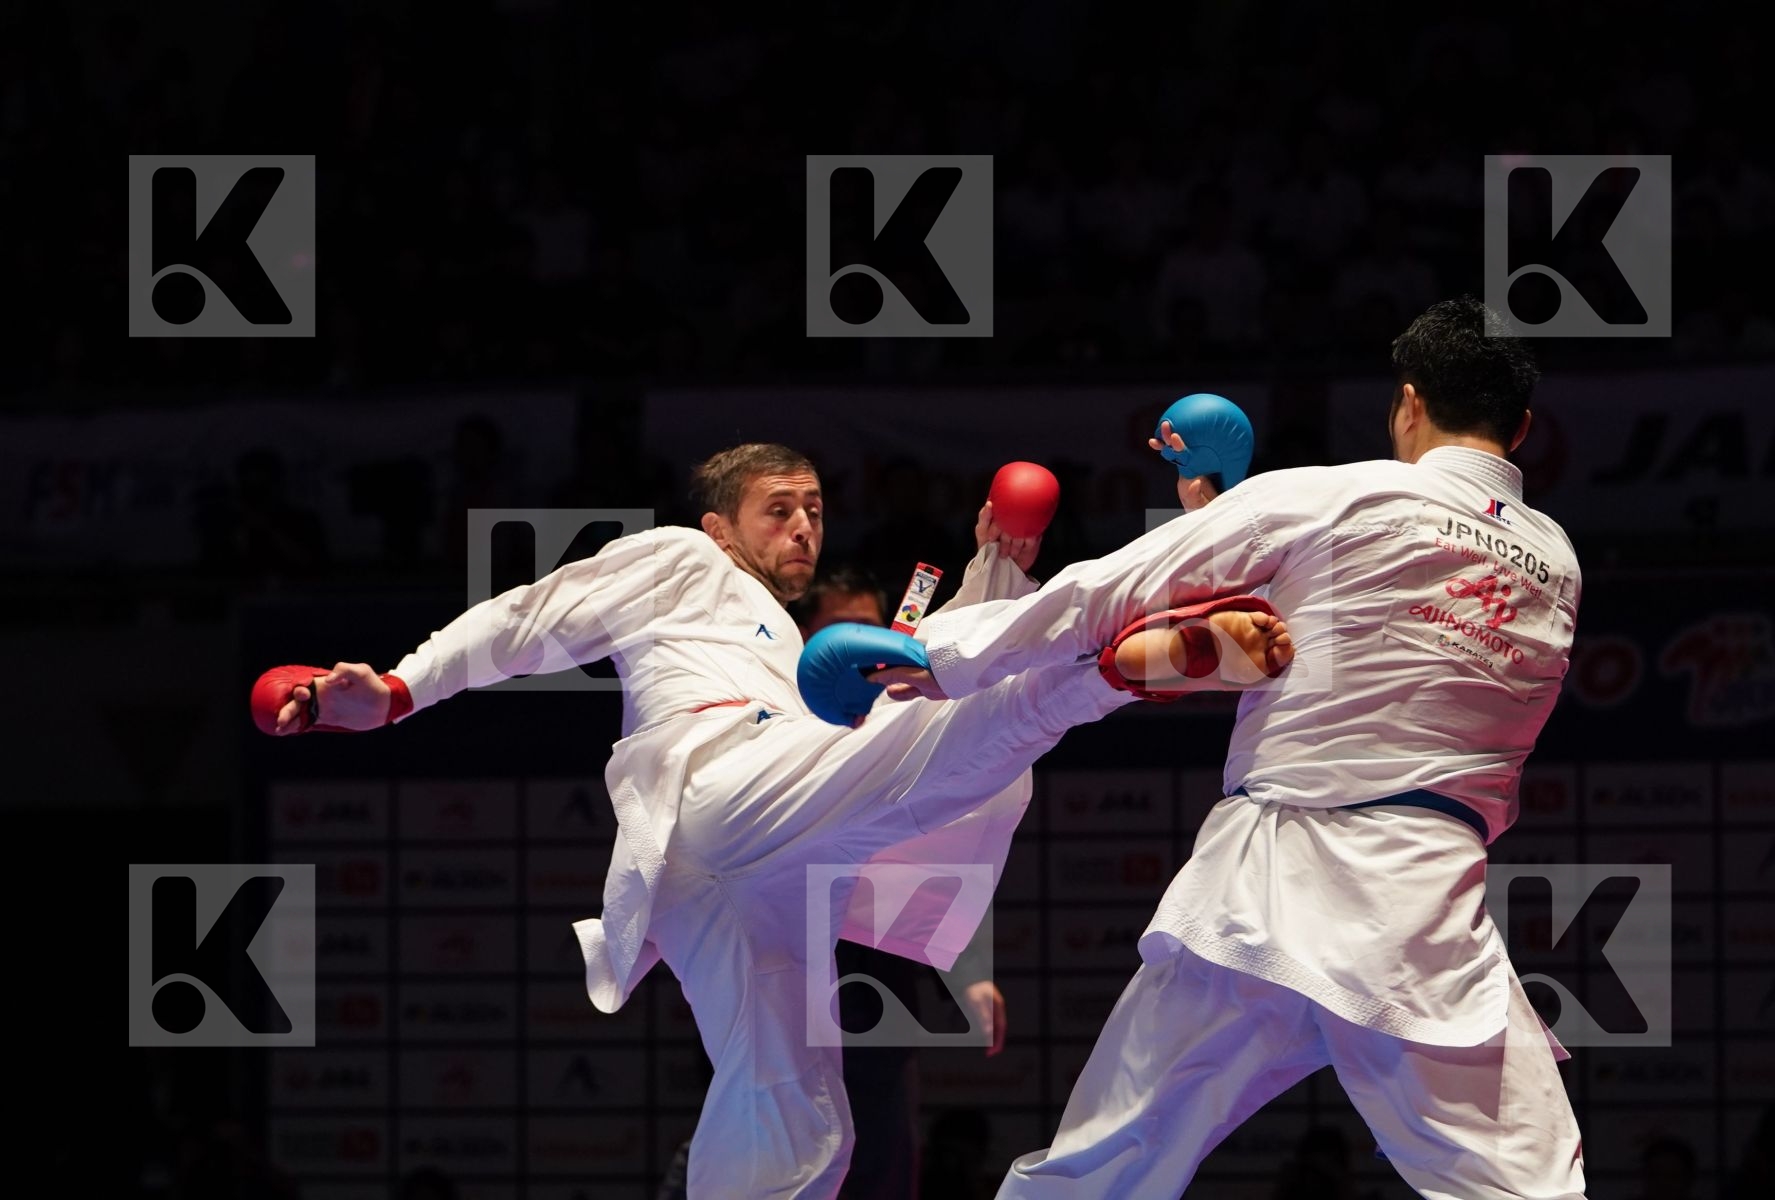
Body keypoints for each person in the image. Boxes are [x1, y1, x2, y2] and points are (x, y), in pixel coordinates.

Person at [260, 443, 1291, 1199]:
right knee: (954, 737)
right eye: (776, 508)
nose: (803, 525)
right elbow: (525, 620)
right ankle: (1118, 667)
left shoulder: (785, 649)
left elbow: (911, 687)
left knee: (796, 1124)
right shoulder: (679, 561)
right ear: (718, 525)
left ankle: (1063, 625)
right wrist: (398, 689)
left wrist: (992, 567)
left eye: (813, 509)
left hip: (742, 877)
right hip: (720, 779)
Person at [883, 297, 1588, 1199]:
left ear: (1409, 404)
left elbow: (1108, 592)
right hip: (1426, 910)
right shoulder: (1557, 560)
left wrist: (941, 653)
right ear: (1522, 426)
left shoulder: (1342, 493)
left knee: (1102, 1171)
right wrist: (1224, 521)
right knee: (1533, 1188)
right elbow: (1393, 643)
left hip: (1268, 893)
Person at [794, 564, 1015, 1200]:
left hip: (873, 986)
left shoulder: (908, 719)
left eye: (869, 629)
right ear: (804, 638)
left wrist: (968, 971)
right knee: (769, 1145)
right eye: (840, 632)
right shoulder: (769, 715)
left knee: (880, 1156)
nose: (856, 647)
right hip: (774, 963)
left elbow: (934, 850)